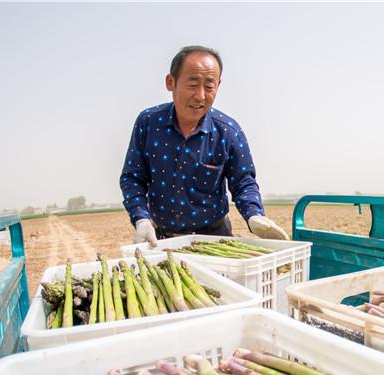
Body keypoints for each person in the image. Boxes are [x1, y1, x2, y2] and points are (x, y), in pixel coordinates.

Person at [119, 45, 289, 246]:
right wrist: (141, 218)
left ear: (218, 86)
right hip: (160, 239)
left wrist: (254, 215)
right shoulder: (148, 123)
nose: (200, 96)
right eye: (192, 84)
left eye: (209, 86)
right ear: (170, 82)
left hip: (215, 240)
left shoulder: (228, 131)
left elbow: (243, 182)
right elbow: (132, 177)